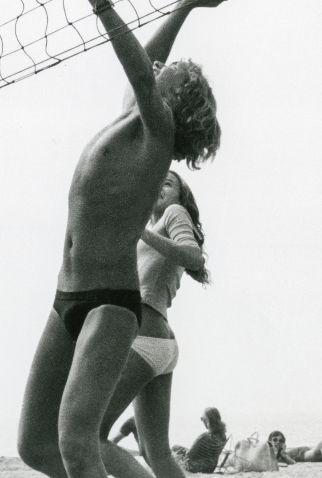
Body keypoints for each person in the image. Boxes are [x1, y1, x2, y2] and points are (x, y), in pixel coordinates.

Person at [15, 0, 228, 478]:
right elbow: (149, 62)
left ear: (175, 101)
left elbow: (140, 67)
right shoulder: (132, 120)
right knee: (34, 445)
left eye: (171, 73)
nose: (161, 66)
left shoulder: (159, 133)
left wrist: (99, 0)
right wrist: (184, 6)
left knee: (76, 440)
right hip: (66, 294)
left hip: (110, 302)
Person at [98, 169, 216, 478]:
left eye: (168, 183)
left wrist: (141, 231)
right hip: (159, 342)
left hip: (145, 338)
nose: (158, 186)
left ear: (180, 195)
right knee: (156, 453)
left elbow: (193, 256)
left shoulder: (173, 212)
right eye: (155, 180)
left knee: (89, 436)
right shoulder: (154, 226)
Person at [170, 407, 229, 474]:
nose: (202, 421)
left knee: (174, 448)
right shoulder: (223, 436)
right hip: (210, 469)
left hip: (195, 468)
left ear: (208, 420)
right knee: (177, 448)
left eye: (202, 419)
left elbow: (188, 455)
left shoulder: (204, 436)